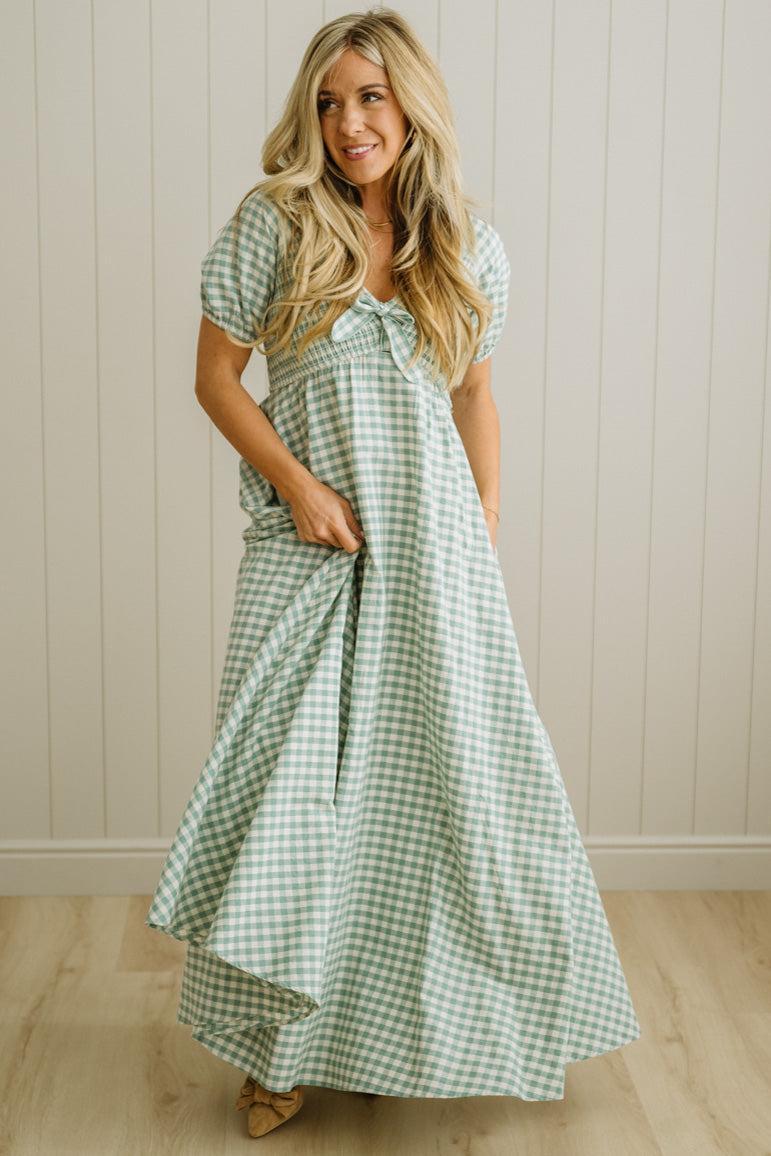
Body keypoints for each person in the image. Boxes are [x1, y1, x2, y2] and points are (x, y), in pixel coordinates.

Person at [145, 7, 641, 1141]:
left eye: (369, 97)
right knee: (293, 807)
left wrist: (487, 517)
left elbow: (475, 393)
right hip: (310, 554)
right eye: (328, 101)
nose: (348, 122)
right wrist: (300, 487)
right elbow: (217, 379)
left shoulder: (466, 242)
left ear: (412, 103)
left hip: (438, 561)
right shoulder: (274, 225)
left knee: (447, 796)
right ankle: (278, 1052)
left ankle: (434, 1024)